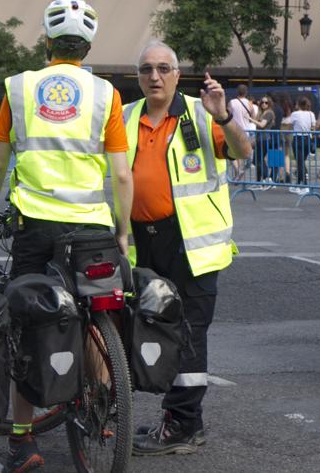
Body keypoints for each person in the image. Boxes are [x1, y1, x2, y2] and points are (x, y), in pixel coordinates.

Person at [0, 0, 133, 473]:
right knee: (97, 309)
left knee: (27, 324)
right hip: (91, 223)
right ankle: (101, 410)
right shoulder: (106, 94)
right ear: (88, 45)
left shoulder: (18, 89)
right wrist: (122, 232)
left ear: (47, 41)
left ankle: (22, 441)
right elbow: (121, 175)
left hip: (36, 226)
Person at [122, 41, 251, 456]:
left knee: (190, 333)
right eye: (146, 70)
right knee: (153, 327)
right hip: (141, 242)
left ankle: (184, 424)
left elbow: (241, 151)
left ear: (177, 74)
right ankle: (175, 418)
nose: (154, 77)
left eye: (163, 68)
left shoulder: (201, 110)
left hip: (192, 242)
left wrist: (225, 116)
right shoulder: (125, 116)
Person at [286, 96, 317, 193]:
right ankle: (299, 184)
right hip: (308, 138)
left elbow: (290, 125)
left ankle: (304, 184)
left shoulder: (295, 114)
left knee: (300, 162)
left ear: (298, 104)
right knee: (301, 161)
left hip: (298, 138)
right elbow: (313, 127)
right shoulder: (311, 114)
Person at [226, 84, 255, 180]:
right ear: (246, 92)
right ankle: (240, 172)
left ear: (237, 92)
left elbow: (228, 115)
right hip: (246, 131)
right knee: (245, 152)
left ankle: (237, 171)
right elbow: (253, 117)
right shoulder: (249, 103)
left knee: (234, 152)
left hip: (234, 130)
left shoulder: (232, 102)